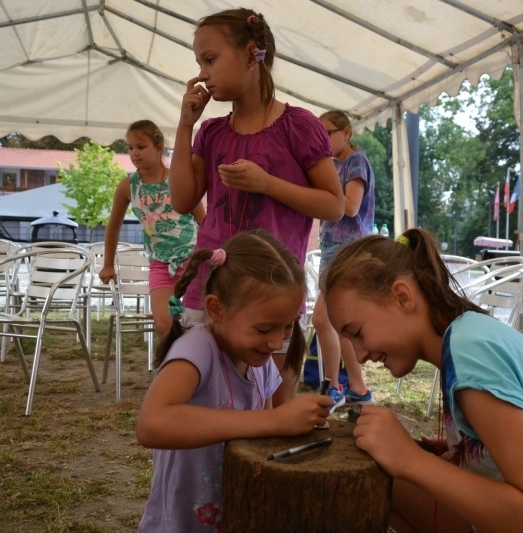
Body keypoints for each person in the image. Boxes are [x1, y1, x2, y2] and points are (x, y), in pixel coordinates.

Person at [322, 229, 523, 533]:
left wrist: (410, 459)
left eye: (357, 333)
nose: (359, 356)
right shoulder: (477, 329)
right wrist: (488, 446)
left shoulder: (470, 352)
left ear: (402, 297)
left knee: (387, 480)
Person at [168, 8, 344, 406]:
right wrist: (185, 126)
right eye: (198, 62)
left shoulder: (297, 125)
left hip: (272, 288)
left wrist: (267, 184)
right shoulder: (212, 131)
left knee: (274, 404)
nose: (202, 74)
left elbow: (334, 204)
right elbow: (182, 200)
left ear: (252, 55)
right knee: (211, 399)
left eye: (210, 60)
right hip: (214, 286)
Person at [136, 229, 335, 532]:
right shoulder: (198, 348)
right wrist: (276, 421)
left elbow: (263, 439)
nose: (275, 342)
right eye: (264, 328)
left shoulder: (262, 365)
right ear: (216, 309)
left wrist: (297, 424)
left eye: (286, 327)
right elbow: (152, 424)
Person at [99, 119, 205, 338]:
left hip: (193, 261)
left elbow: (204, 221)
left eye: (141, 147)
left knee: (198, 321)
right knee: (165, 323)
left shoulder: (178, 179)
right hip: (160, 264)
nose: (134, 153)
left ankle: (199, 364)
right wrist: (108, 264)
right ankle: (174, 364)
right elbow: (113, 228)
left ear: (158, 147)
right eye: (130, 148)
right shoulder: (127, 187)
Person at [311, 110, 375, 407]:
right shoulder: (335, 165)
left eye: (327, 133)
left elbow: (350, 207)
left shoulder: (355, 161)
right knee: (336, 322)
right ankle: (356, 389)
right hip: (332, 251)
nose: (322, 140)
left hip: (348, 252)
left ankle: (335, 386)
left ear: (347, 133)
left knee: (324, 319)